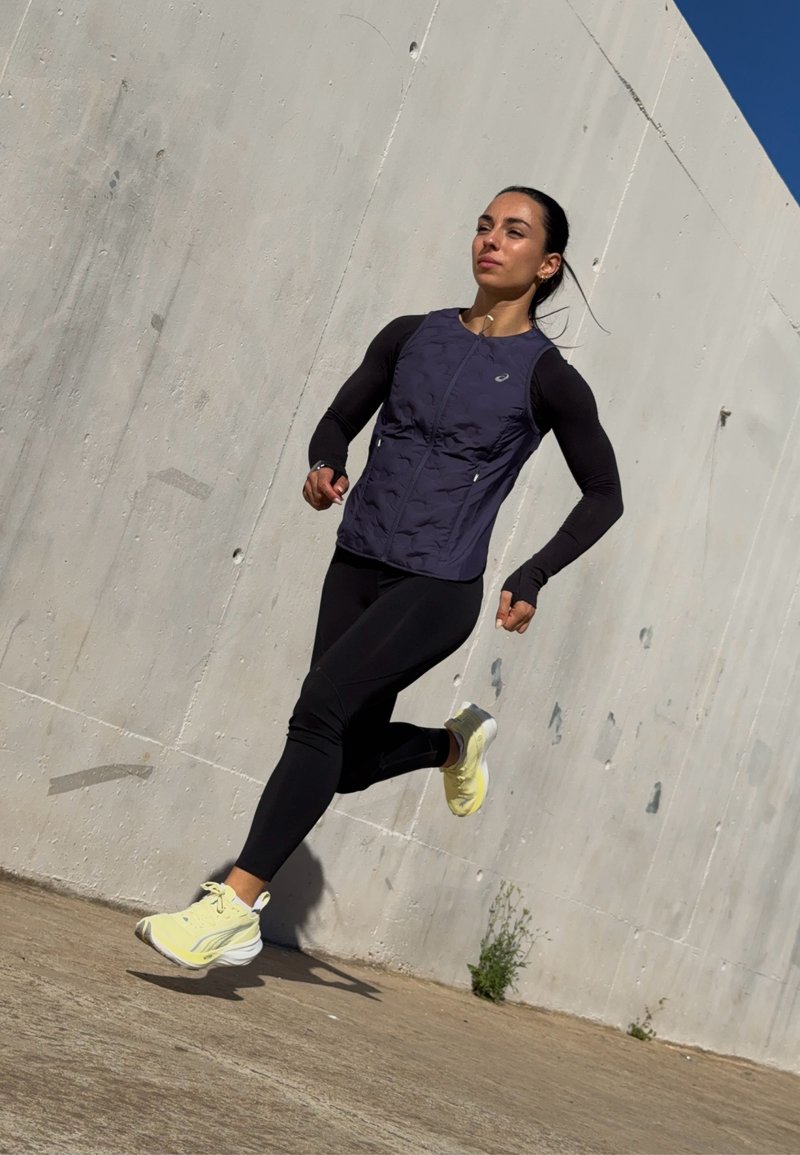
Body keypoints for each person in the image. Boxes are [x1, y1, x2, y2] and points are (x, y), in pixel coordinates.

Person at [134, 186, 623, 970]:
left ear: (548, 263)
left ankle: (232, 905)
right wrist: (326, 463)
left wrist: (533, 571)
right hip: (356, 561)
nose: (490, 240)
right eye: (483, 225)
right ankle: (448, 745)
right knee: (349, 758)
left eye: (514, 231)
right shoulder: (410, 335)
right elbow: (337, 419)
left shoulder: (547, 378)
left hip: (439, 583)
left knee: (318, 711)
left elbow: (606, 493)